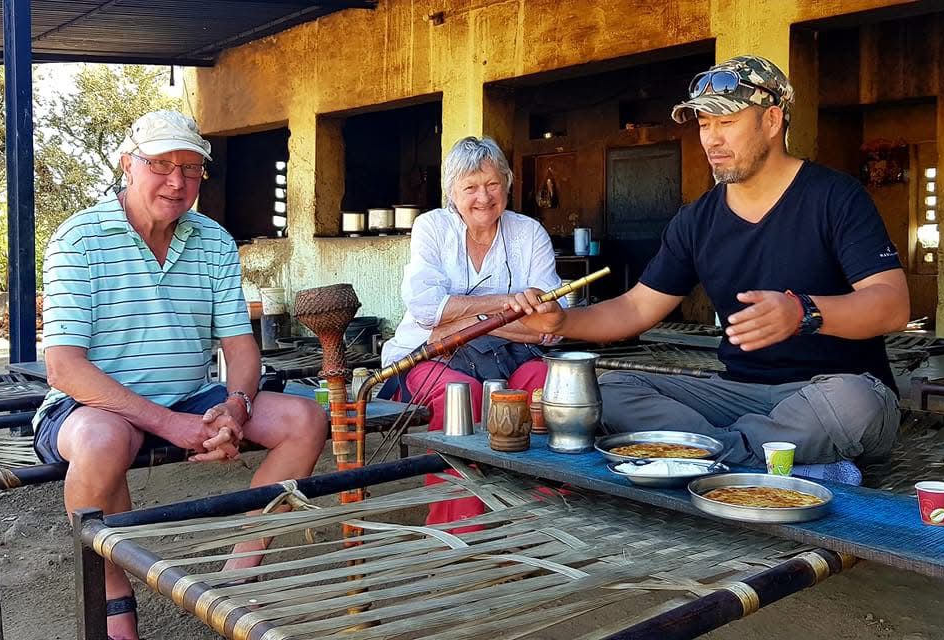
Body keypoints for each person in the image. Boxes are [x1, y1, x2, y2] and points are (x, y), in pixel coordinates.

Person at [511, 55, 909, 477]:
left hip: (829, 391)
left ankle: (710, 455)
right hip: (737, 394)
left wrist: (803, 313)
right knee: (609, 389)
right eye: (703, 124)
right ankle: (769, 460)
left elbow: (892, 305)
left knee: (859, 404)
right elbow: (636, 309)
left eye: (727, 122)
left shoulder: (835, 197)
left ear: (772, 121)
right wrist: (560, 321)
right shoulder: (697, 219)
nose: (711, 140)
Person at [35, 110, 327, 640]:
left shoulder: (212, 240)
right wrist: (169, 425)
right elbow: (64, 367)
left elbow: (241, 347)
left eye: (191, 169)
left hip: (192, 395)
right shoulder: (79, 238)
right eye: (161, 164)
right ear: (128, 165)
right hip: (88, 407)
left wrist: (237, 404)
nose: (177, 181)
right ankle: (113, 595)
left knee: (305, 419)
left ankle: (238, 578)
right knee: (102, 440)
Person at [380, 136, 563, 527]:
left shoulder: (528, 234)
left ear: (508, 184)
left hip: (510, 356)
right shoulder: (431, 227)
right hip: (427, 356)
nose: (483, 196)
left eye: (493, 184)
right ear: (452, 192)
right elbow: (427, 311)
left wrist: (462, 319)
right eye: (470, 187)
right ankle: (459, 525)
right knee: (461, 396)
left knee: (548, 386)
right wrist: (510, 303)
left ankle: (543, 521)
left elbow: (549, 323)